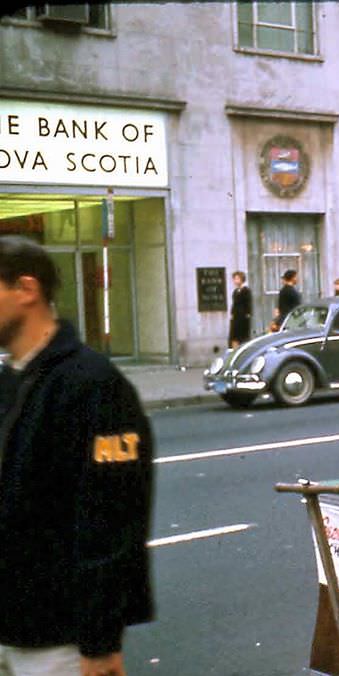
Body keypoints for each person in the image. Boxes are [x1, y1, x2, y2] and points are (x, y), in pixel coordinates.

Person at [0, 236, 154, 676]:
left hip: (56, 643)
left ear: (26, 290)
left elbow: (111, 521)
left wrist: (101, 642)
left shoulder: (93, 385)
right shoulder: (10, 380)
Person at [229, 270, 252, 347]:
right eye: (234, 279)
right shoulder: (235, 291)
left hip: (243, 317)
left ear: (242, 279)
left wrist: (247, 314)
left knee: (242, 336)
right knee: (233, 336)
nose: (235, 281)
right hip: (235, 316)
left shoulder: (246, 290)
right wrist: (232, 314)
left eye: (237, 278)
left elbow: (248, 304)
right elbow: (234, 304)